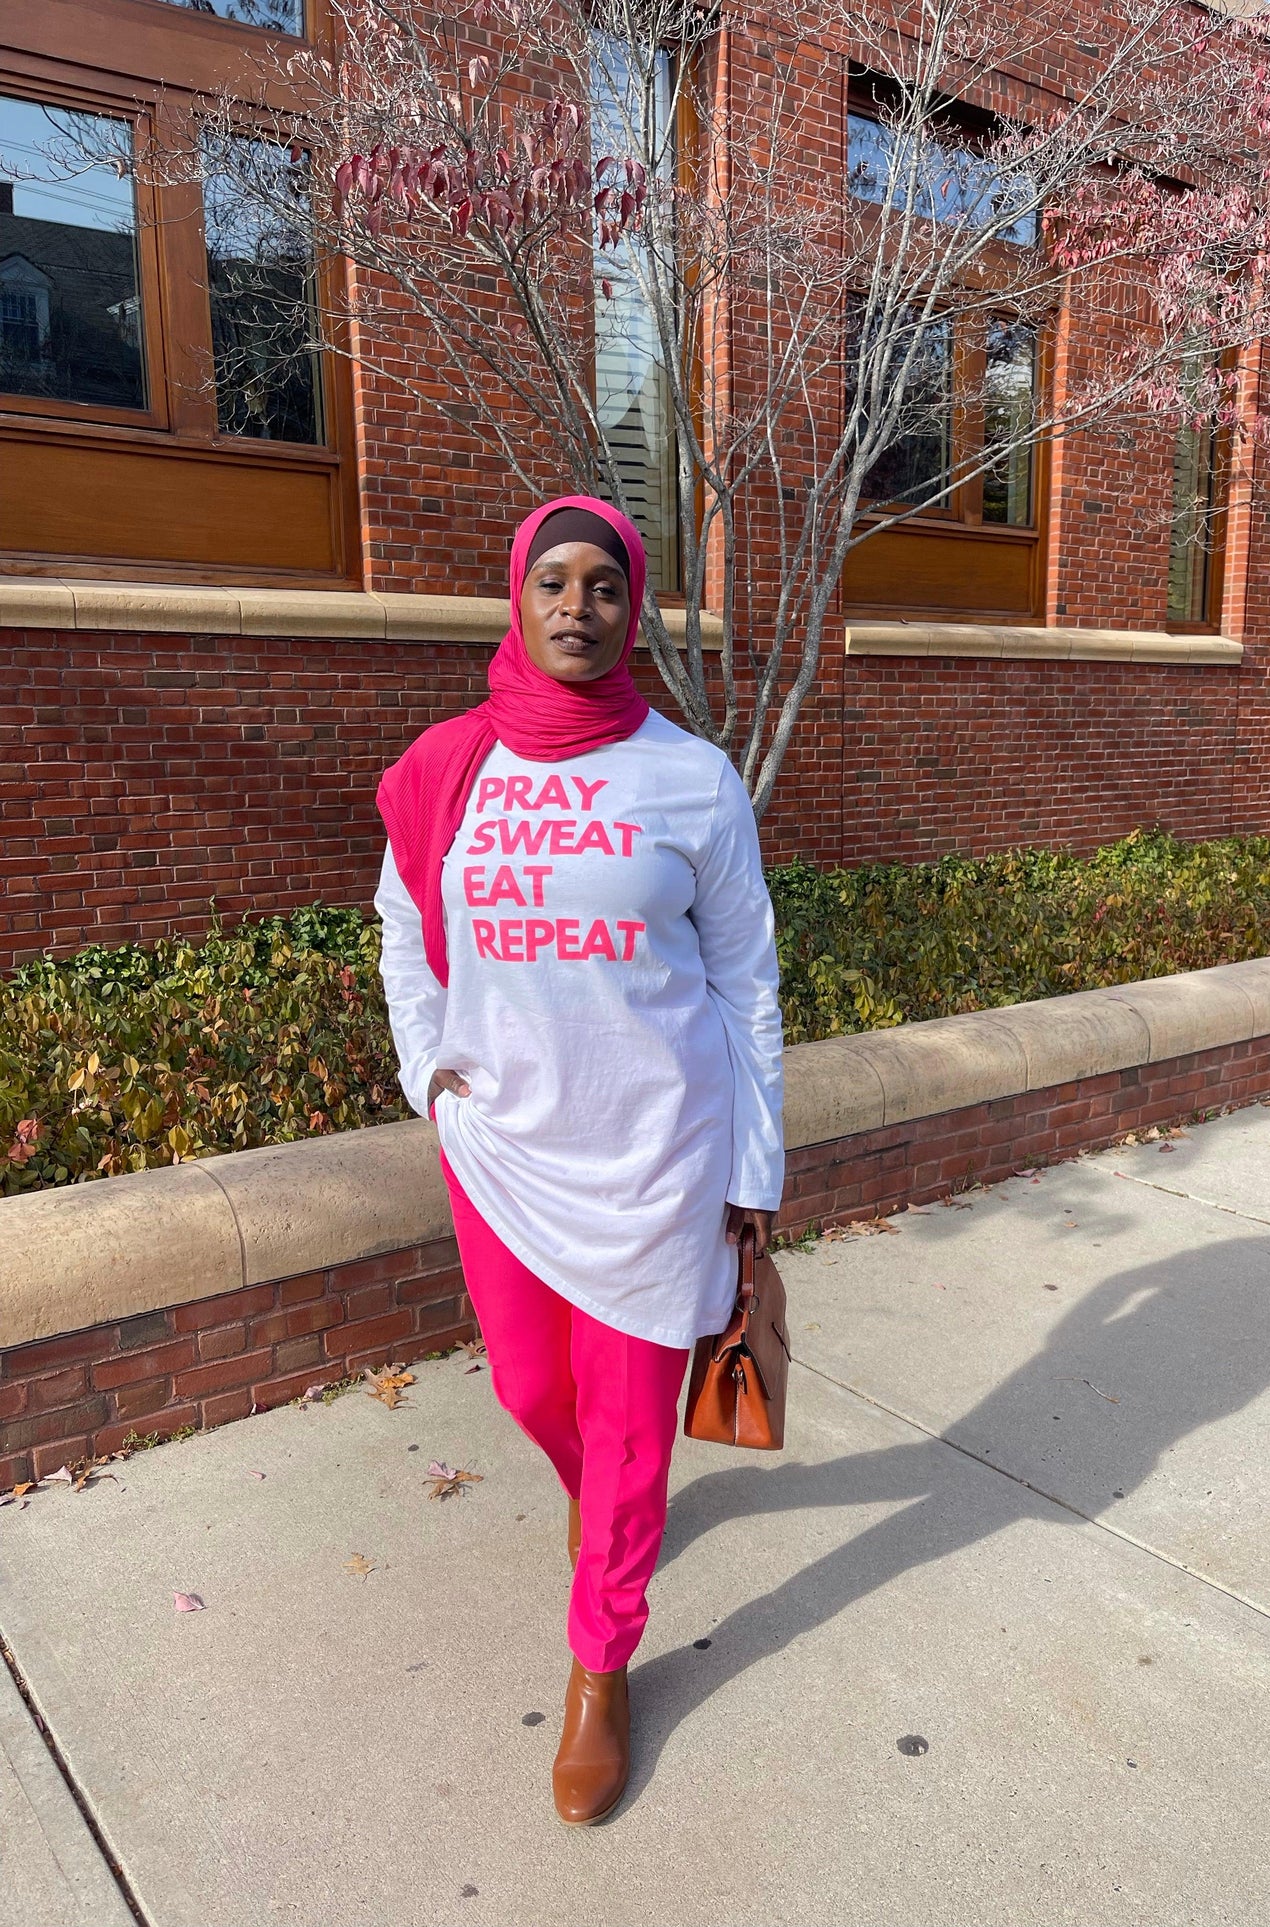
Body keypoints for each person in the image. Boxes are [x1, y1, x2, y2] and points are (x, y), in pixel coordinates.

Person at [373, 496, 784, 1825]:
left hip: (658, 1155)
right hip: (500, 1149)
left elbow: (746, 985)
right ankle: (604, 1510)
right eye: (552, 580)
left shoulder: (690, 778)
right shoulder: (450, 767)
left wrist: (751, 1175)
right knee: (525, 1391)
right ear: (517, 598)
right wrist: (425, 1070)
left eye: (602, 585)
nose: (575, 605)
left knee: (622, 1426)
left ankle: (601, 1663)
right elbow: (397, 924)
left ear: (631, 609)